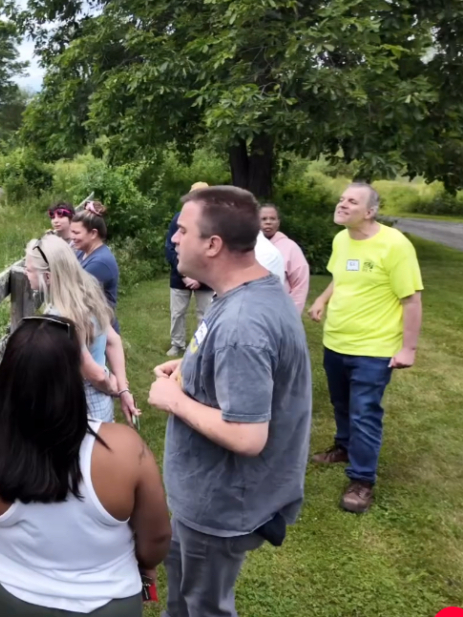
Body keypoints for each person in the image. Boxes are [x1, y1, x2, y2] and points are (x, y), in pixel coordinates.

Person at [148, 184, 312, 617]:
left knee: (203, 608)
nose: (174, 239)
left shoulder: (243, 324)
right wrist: (188, 366)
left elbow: (247, 435)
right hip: (206, 499)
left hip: (220, 505)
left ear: (213, 244)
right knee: (183, 601)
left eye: (182, 230)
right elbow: (223, 358)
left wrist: (173, 399)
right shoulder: (242, 292)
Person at [0, 315, 172, 617]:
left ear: (9, 373)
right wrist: (146, 565)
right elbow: (156, 536)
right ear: (74, 376)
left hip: (11, 601)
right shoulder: (126, 449)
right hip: (108, 602)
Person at [308, 182, 423, 513]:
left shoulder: (395, 246)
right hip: (336, 341)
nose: (342, 204)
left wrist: (408, 349)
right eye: (342, 198)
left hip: (374, 349)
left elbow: (411, 299)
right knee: (341, 404)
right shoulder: (341, 239)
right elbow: (340, 277)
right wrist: (322, 298)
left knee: (365, 413)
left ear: (370, 212)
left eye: (352, 201)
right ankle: (343, 447)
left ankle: (361, 480)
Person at [24, 234, 139, 424]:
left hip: (81, 404)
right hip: (101, 403)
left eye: (29, 270)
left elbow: (93, 373)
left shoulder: (60, 317)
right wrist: (123, 387)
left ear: (47, 276)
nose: (25, 274)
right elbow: (112, 340)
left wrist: (113, 387)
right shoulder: (88, 292)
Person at [165, 182, 214, 356]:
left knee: (206, 313)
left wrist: (199, 277)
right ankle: (177, 344)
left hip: (206, 278)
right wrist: (184, 274)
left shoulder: (214, 222)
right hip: (180, 276)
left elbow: (214, 251)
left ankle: (202, 346)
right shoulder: (179, 219)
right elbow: (170, 248)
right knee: (177, 313)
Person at [70, 200, 120, 333]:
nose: (72, 237)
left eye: (76, 233)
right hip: (90, 326)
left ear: (93, 233)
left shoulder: (100, 262)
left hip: (101, 333)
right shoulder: (82, 251)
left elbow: (74, 294)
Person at [260, 203, 310, 314]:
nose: (268, 222)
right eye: (263, 219)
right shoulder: (248, 246)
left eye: (272, 219)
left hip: (280, 312)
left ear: (278, 223)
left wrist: (292, 314)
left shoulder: (290, 247)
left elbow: (300, 285)